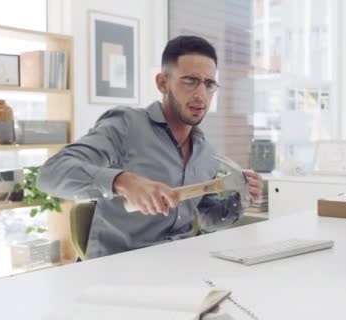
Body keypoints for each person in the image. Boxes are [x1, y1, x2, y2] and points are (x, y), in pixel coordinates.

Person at [37, 35, 263, 259]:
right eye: (190, 81)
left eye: (209, 84)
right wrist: (123, 182)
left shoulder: (205, 153)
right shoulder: (126, 125)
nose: (201, 94)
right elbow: (49, 174)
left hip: (179, 268)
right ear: (163, 83)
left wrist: (242, 196)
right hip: (119, 272)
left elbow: (210, 219)